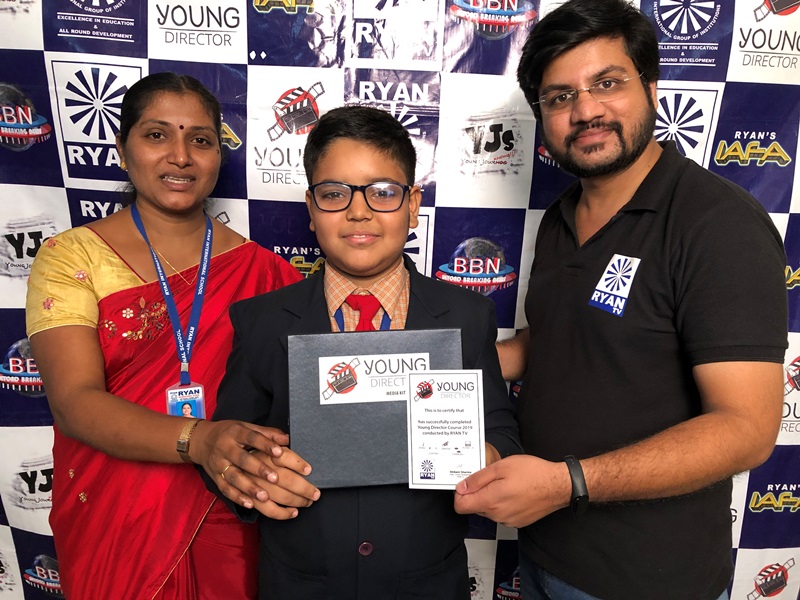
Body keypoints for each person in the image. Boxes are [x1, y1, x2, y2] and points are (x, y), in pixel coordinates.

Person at [452, 2, 788, 599]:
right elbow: (553, 340)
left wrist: (567, 483)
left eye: (607, 83)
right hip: (544, 552)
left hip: (645, 579)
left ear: (651, 89)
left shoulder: (717, 224)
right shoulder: (560, 218)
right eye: (560, 97)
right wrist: (433, 367)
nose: (586, 111)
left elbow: (747, 429)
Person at [204, 105, 522, 599]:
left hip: (426, 585)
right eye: (335, 194)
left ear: (412, 206)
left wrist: (487, 455)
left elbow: (501, 427)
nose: (359, 211)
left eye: (383, 192)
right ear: (311, 209)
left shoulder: (466, 316)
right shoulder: (262, 322)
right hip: (302, 586)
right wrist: (249, 478)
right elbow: (229, 447)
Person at [26, 72, 302, 600]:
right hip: (116, 518)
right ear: (122, 149)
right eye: (157, 135)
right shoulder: (72, 258)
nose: (180, 156)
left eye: (200, 139)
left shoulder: (268, 274)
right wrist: (199, 440)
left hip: (230, 511)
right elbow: (73, 401)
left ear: (218, 156)